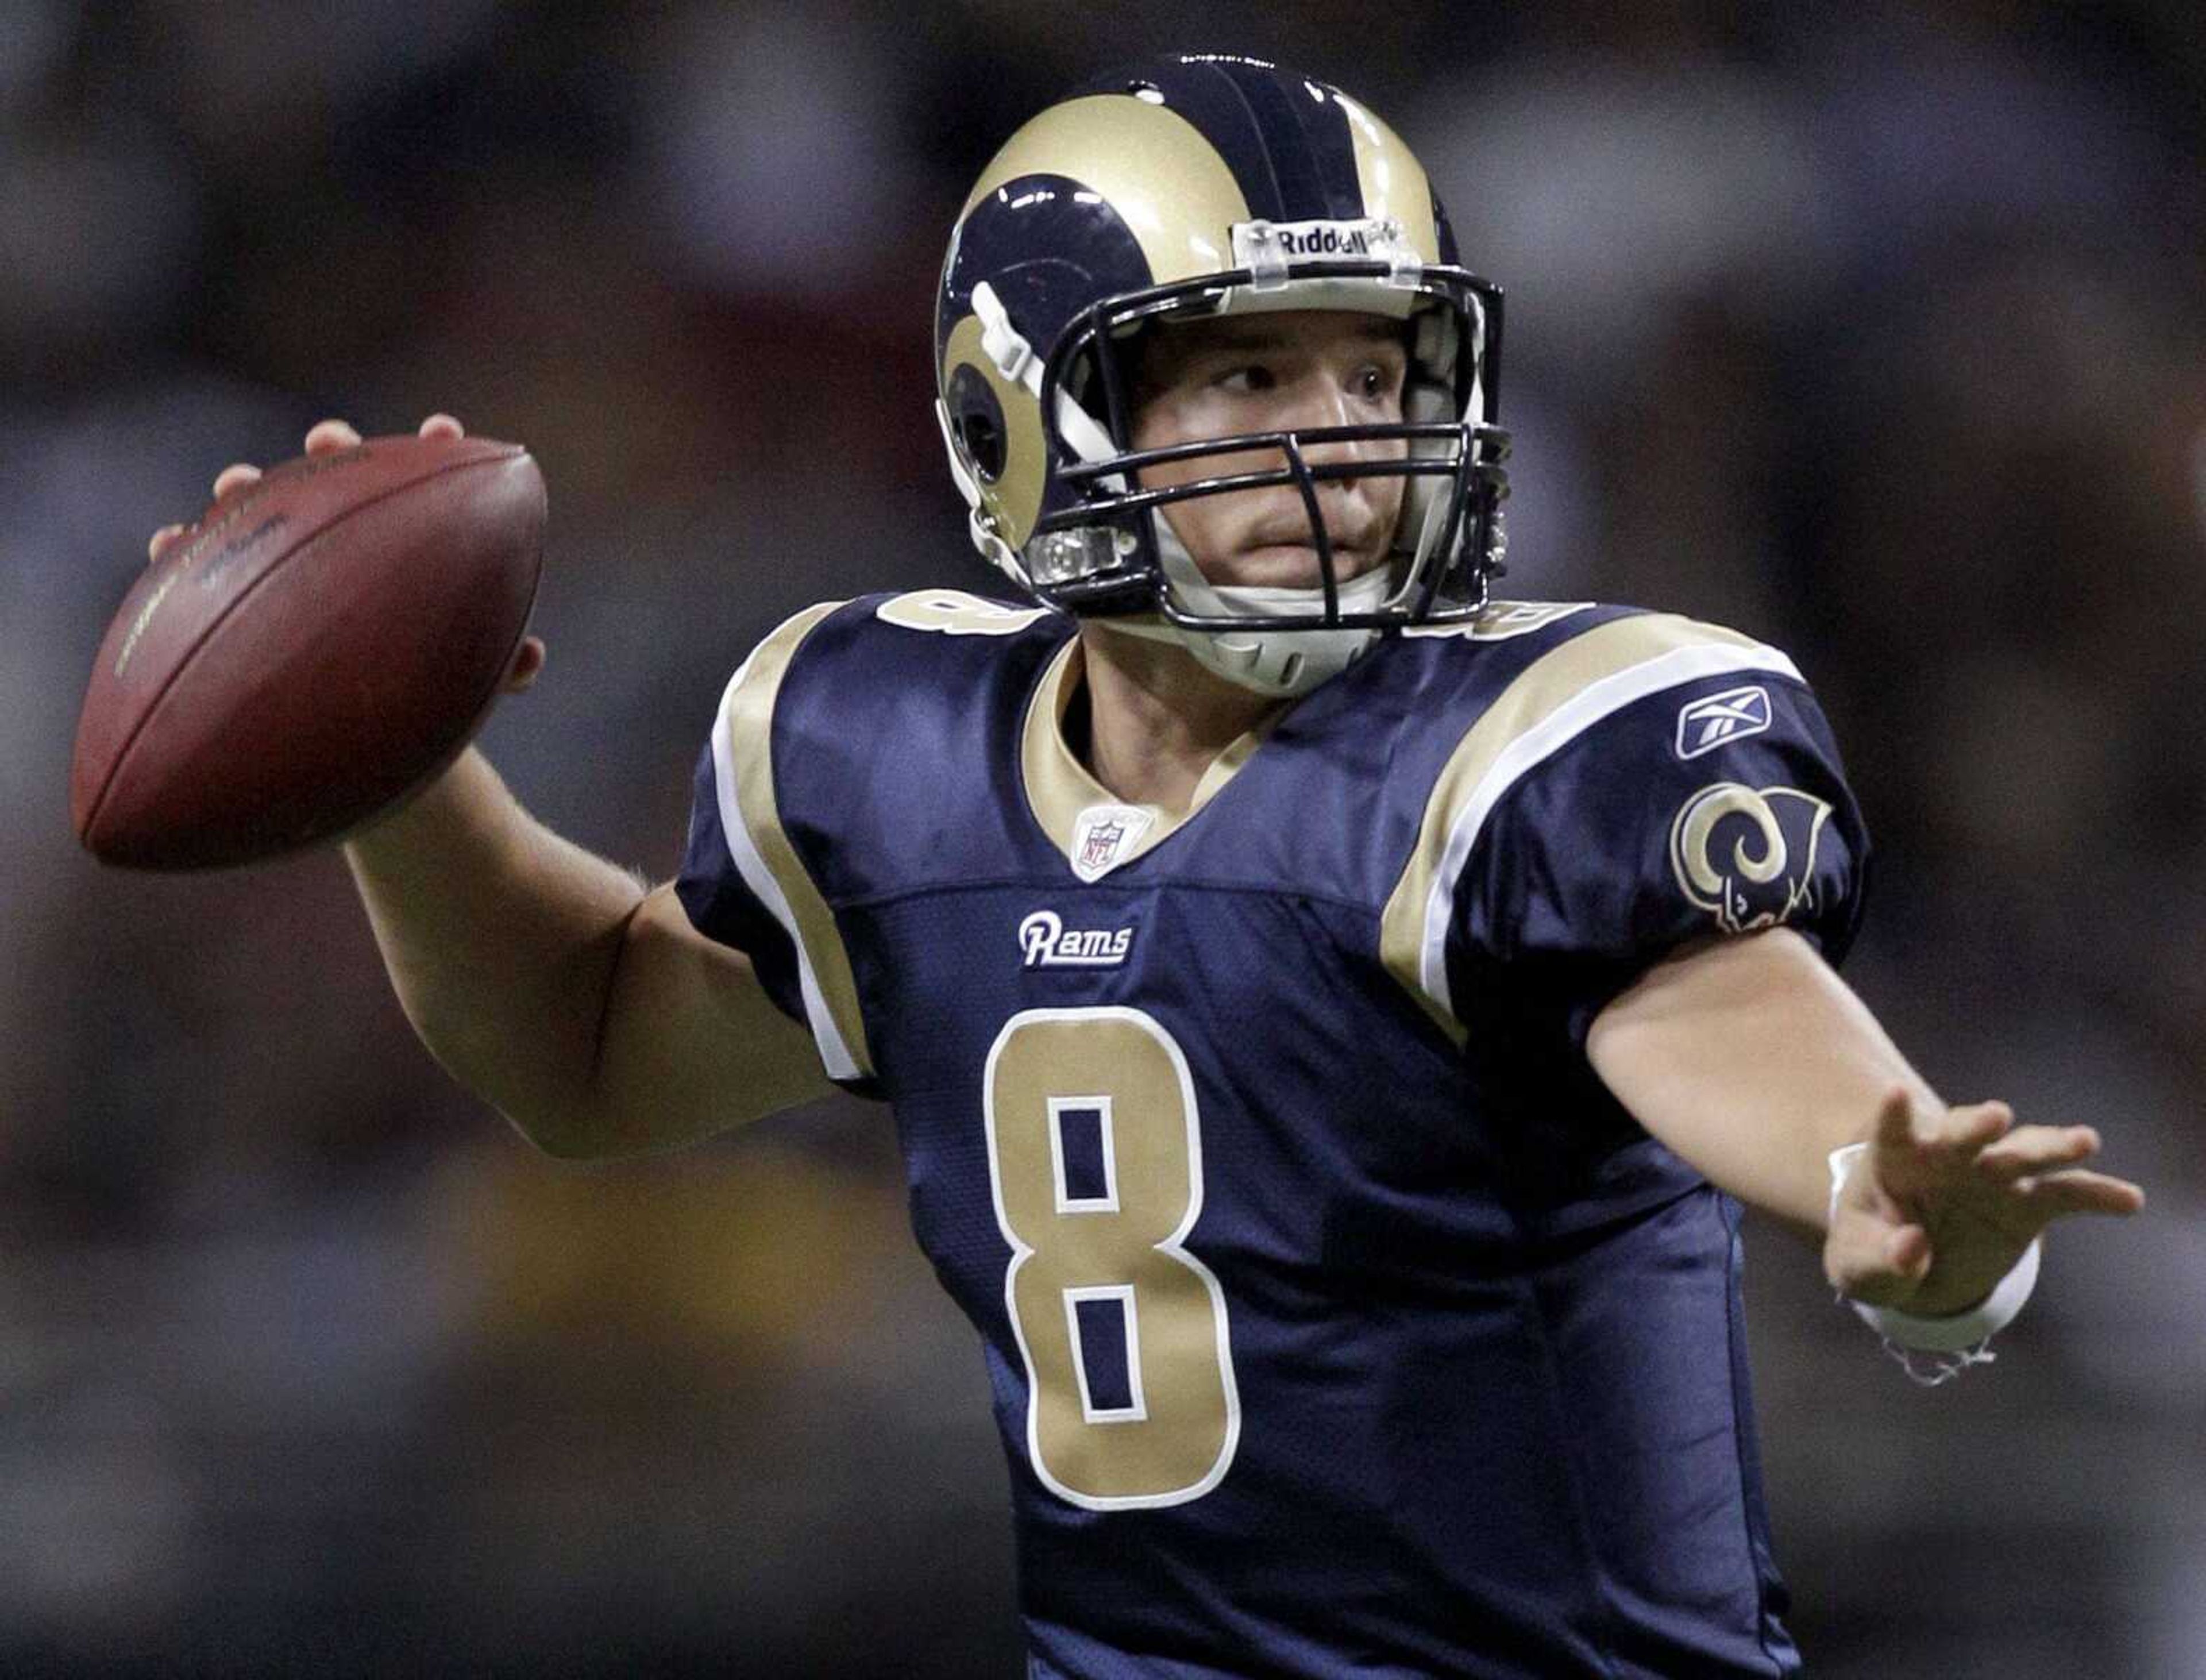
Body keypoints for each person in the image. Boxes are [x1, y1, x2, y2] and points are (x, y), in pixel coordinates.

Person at [154, 52, 2144, 1680]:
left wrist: (1889, 1195)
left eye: (1377, 375)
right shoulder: (889, 751)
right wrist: (399, 768)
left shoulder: (1536, 751)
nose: (1339, 441)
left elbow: (1724, 1017)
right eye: (1251, 375)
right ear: (1022, 415)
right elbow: (585, 1054)